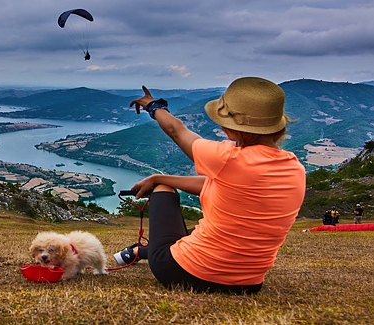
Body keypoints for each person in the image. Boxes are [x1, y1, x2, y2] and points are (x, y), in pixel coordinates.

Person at [113, 77, 306, 294]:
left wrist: (153, 106)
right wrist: (161, 177)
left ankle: (144, 251)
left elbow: (178, 131)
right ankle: (142, 251)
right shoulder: (295, 169)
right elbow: (219, 185)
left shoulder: (226, 159)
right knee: (200, 225)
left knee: (163, 192)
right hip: (249, 284)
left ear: (235, 128)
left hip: (180, 272)